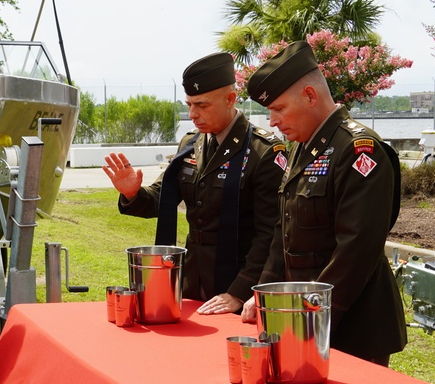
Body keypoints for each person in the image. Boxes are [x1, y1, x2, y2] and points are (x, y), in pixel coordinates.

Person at [240, 40, 407, 365]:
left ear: (311, 96)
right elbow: (283, 230)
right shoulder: (303, 146)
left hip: (350, 324)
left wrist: (311, 311)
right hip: (306, 315)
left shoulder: (359, 149)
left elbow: (357, 248)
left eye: (279, 108)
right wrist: (263, 294)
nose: (272, 121)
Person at [103, 52, 287, 314]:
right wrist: (133, 193)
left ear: (230, 99)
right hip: (191, 284)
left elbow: (270, 234)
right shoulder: (191, 144)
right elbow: (161, 199)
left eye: (202, 105)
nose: (192, 114)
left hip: (236, 288)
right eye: (189, 104)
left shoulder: (263, 151)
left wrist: (240, 291)